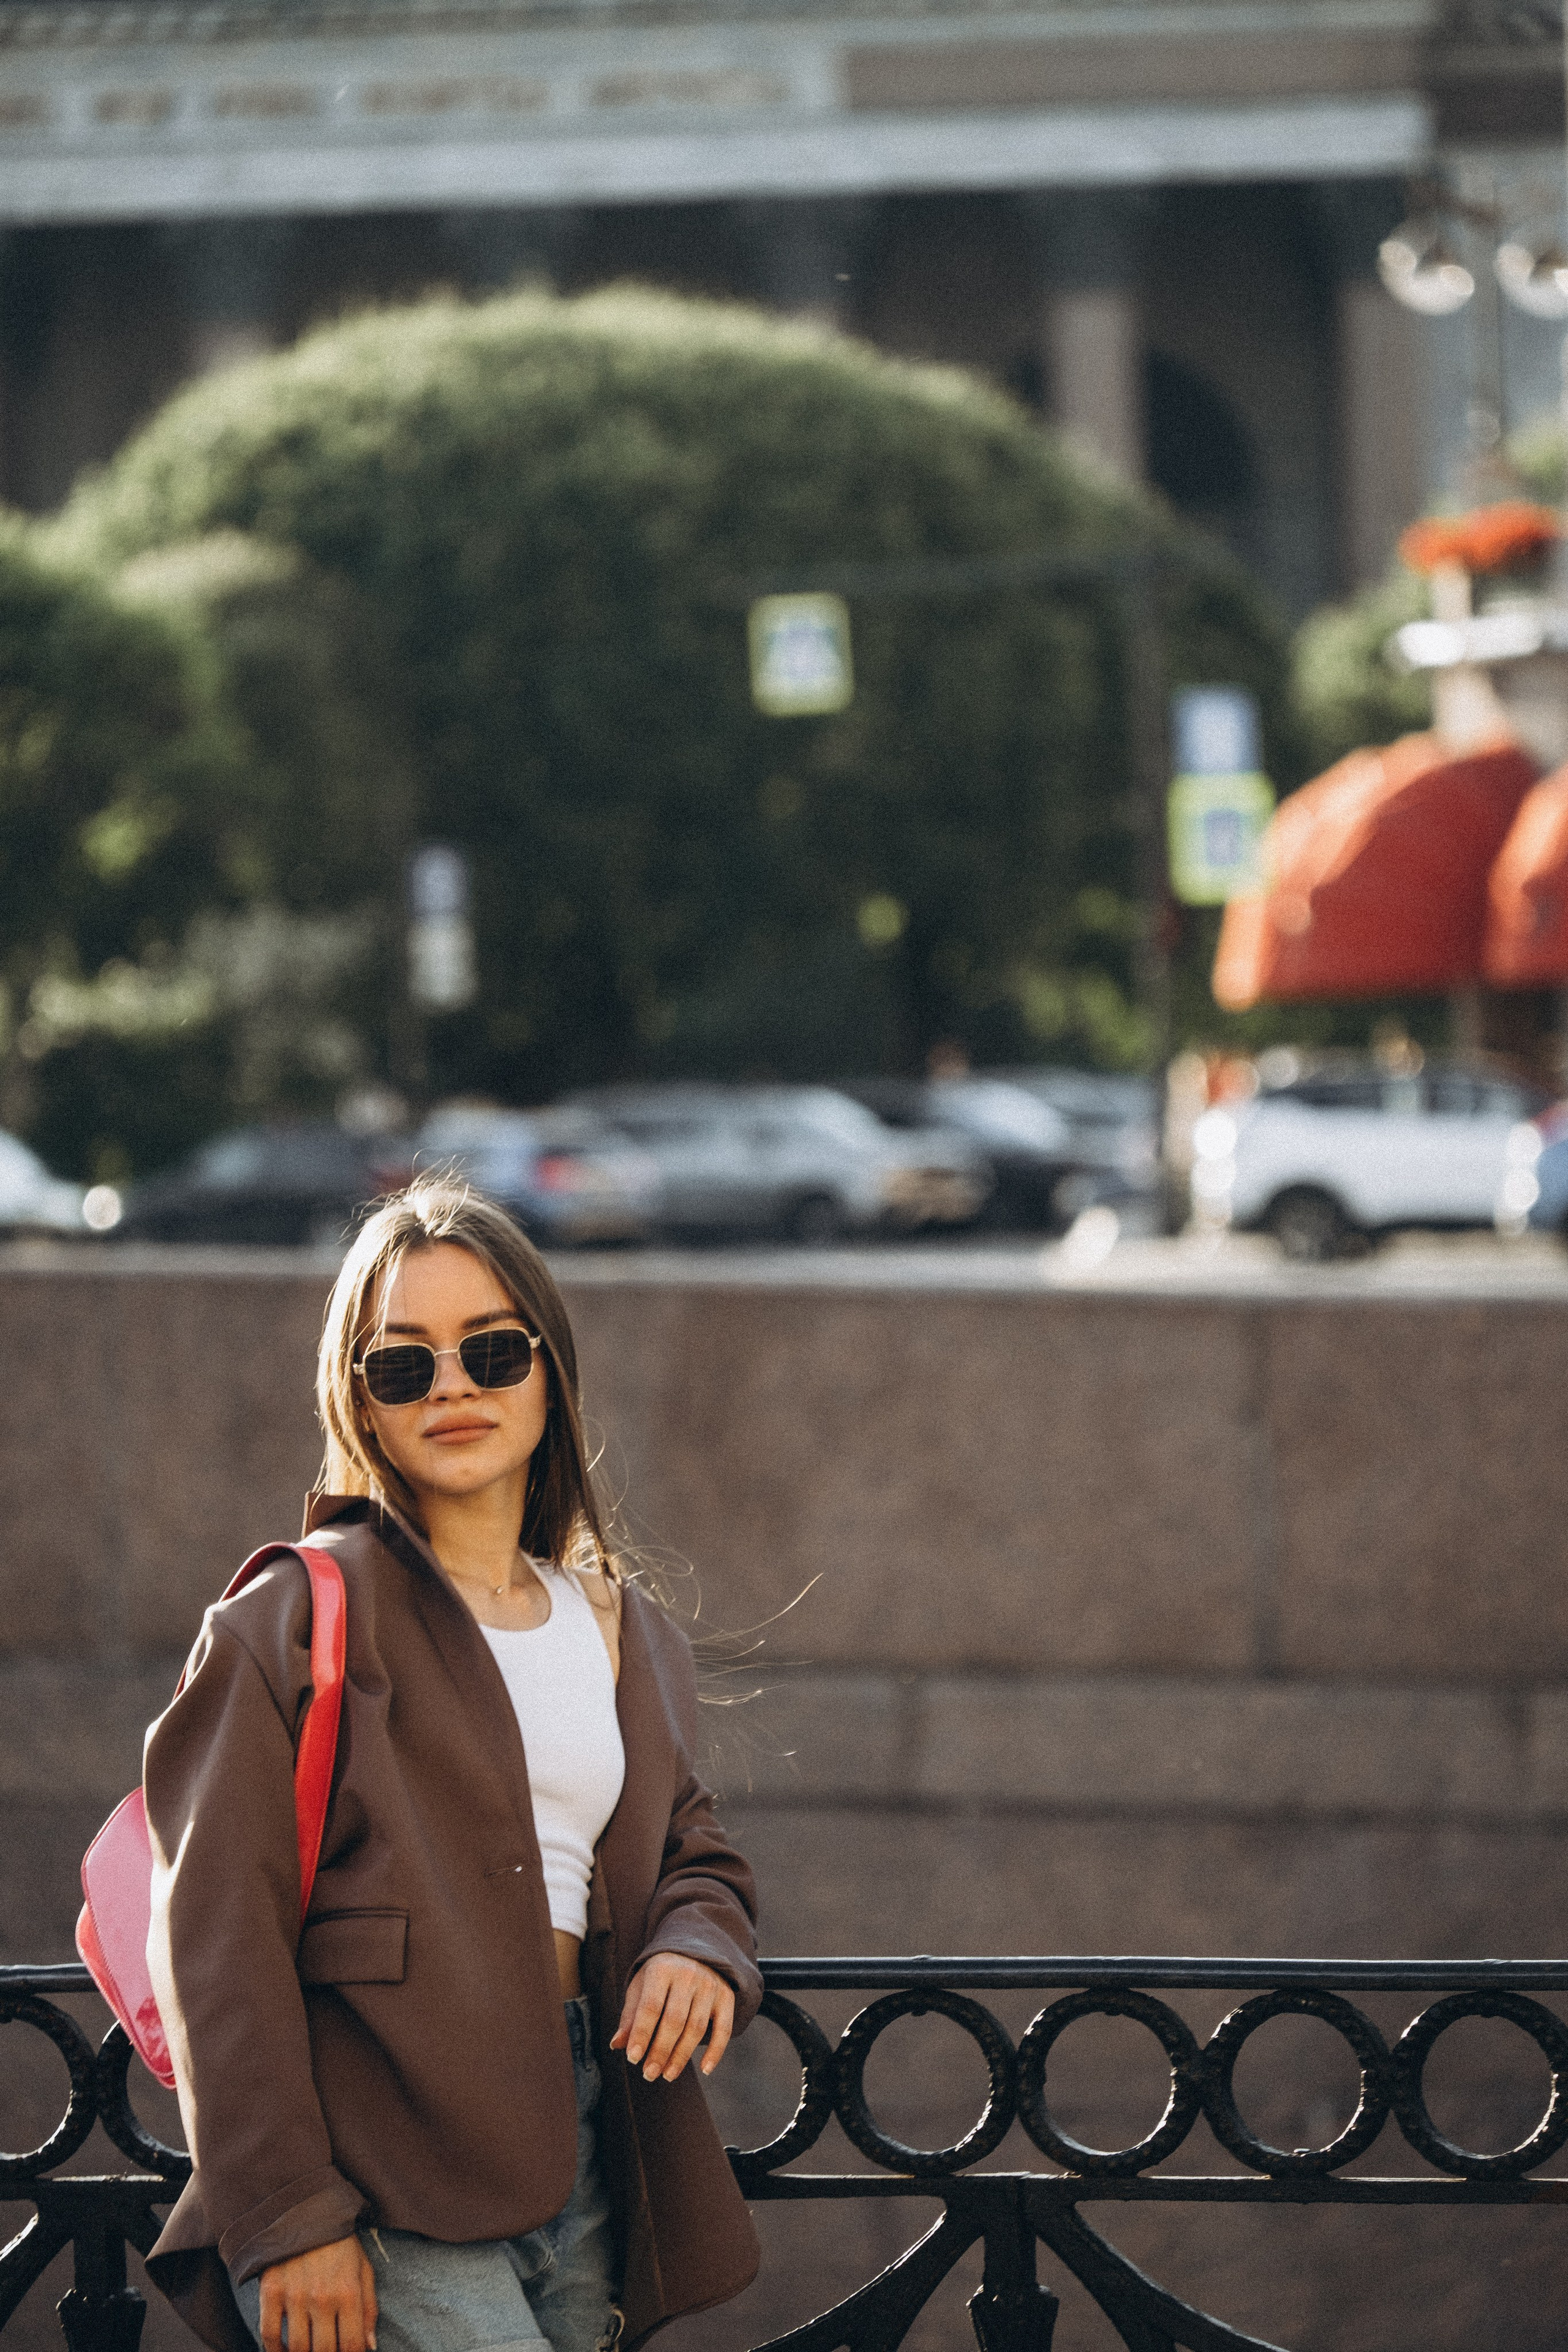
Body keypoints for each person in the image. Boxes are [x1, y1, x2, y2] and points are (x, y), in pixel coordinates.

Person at [141, 1178, 762, 2352]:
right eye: (405, 1365)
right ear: (361, 1403)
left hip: (592, 2148)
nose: (456, 1387)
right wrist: (288, 2213)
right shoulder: (292, 1617)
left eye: (490, 1348)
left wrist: (697, 1948)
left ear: (548, 1368)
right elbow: (215, 1938)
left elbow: (697, 1852)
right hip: (379, 2166)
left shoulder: (622, 1629)